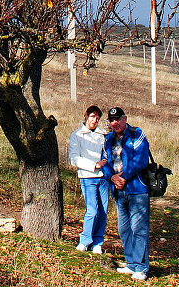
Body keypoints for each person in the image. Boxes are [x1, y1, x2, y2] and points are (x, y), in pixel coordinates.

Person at [101, 107, 150, 281]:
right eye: (111, 120)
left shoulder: (137, 135)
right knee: (124, 229)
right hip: (119, 191)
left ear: (125, 119)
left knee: (139, 228)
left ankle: (141, 268)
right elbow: (104, 161)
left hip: (137, 189)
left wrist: (123, 176)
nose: (115, 123)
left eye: (118, 119)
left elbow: (141, 160)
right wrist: (112, 177)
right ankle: (131, 264)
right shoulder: (108, 139)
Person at [68, 104, 109, 254]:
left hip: (103, 178)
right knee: (92, 210)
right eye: (92, 117)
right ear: (86, 116)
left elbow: (107, 153)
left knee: (103, 210)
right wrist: (94, 165)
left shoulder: (102, 135)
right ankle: (85, 240)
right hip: (87, 177)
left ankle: (98, 242)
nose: (94, 120)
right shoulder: (77, 135)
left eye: (97, 118)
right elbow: (74, 158)